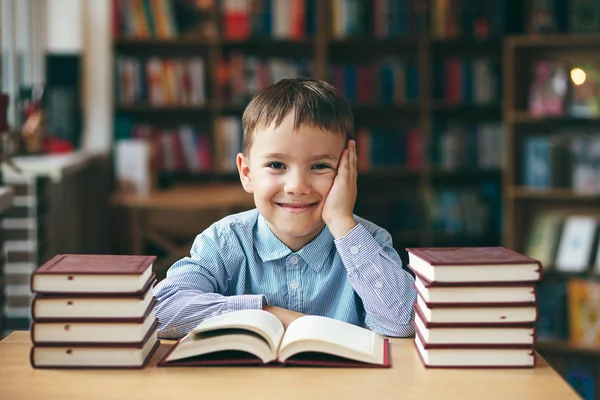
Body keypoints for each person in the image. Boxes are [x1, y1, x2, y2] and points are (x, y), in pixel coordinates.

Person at [153, 77, 416, 339]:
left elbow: (402, 322)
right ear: (247, 172)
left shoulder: (368, 242)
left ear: (348, 171)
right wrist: (267, 314)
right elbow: (162, 310)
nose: (297, 186)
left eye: (320, 166)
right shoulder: (224, 242)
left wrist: (341, 221)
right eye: (277, 165)